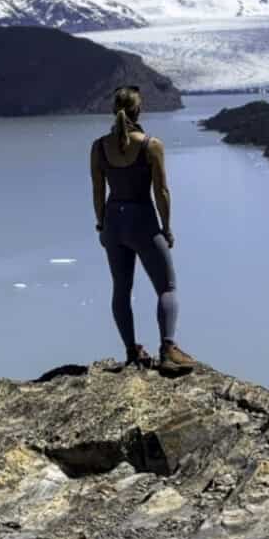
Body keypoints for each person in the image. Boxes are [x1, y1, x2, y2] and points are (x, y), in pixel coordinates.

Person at [91, 85, 197, 375]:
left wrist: (102, 225)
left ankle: (132, 352)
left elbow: (98, 190)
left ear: (115, 110)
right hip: (143, 221)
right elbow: (161, 191)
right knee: (167, 287)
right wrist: (167, 228)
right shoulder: (151, 145)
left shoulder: (99, 147)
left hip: (114, 221)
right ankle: (168, 350)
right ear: (139, 110)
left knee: (121, 290)